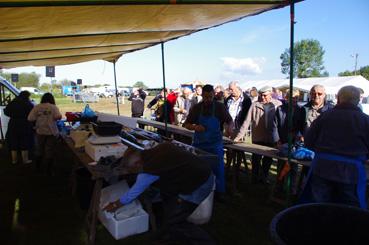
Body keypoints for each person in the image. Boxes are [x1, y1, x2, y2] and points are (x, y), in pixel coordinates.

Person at [103, 143, 215, 244]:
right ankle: (168, 236)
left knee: (176, 221)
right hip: (196, 172)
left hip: (200, 183)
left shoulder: (149, 170)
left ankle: (205, 241)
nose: (133, 173)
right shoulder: (158, 148)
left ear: (138, 164)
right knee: (169, 204)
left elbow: (132, 194)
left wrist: (115, 205)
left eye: (132, 170)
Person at [300, 86, 369, 208]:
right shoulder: (365, 120)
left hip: (323, 168)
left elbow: (309, 141)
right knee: (349, 209)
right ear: (358, 100)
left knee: (318, 206)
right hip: (350, 172)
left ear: (338, 98)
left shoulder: (325, 116)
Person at [184, 84, 233, 201]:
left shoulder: (220, 107)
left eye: (210, 97)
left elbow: (229, 121)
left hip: (215, 144)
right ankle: (199, 189)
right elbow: (186, 124)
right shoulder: (196, 108)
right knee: (198, 168)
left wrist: (229, 128)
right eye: (206, 97)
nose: (208, 100)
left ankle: (219, 192)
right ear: (202, 95)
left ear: (213, 95)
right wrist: (195, 127)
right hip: (199, 144)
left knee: (218, 169)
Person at [234, 86, 282, 184]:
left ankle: (264, 178)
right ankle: (254, 178)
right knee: (256, 159)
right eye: (261, 95)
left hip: (271, 138)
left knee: (268, 160)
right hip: (258, 137)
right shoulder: (254, 105)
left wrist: (278, 139)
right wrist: (238, 137)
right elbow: (246, 122)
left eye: (265, 95)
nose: (262, 97)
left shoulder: (278, 105)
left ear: (271, 94)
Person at [272, 89, 305, 194]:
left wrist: (299, 136)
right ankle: (279, 187)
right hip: (282, 142)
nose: (294, 100)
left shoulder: (301, 110)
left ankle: (292, 190)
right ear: (286, 98)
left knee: (294, 167)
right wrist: (277, 140)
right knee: (281, 166)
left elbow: (302, 126)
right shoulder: (280, 109)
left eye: (296, 97)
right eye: (292, 97)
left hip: (294, 143)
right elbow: (274, 126)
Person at [28, 93, 62, 174]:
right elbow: (58, 117)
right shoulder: (53, 107)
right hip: (51, 132)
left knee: (39, 149)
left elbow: (30, 118)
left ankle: (37, 168)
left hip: (40, 131)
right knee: (49, 150)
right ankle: (48, 170)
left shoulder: (37, 107)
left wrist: (39, 117)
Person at [4, 91, 34, 164]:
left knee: (13, 140)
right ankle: (25, 160)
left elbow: (6, 111)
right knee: (24, 141)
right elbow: (32, 113)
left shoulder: (13, 102)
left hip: (13, 123)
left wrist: (13, 115)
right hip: (25, 123)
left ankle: (14, 160)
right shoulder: (28, 103)